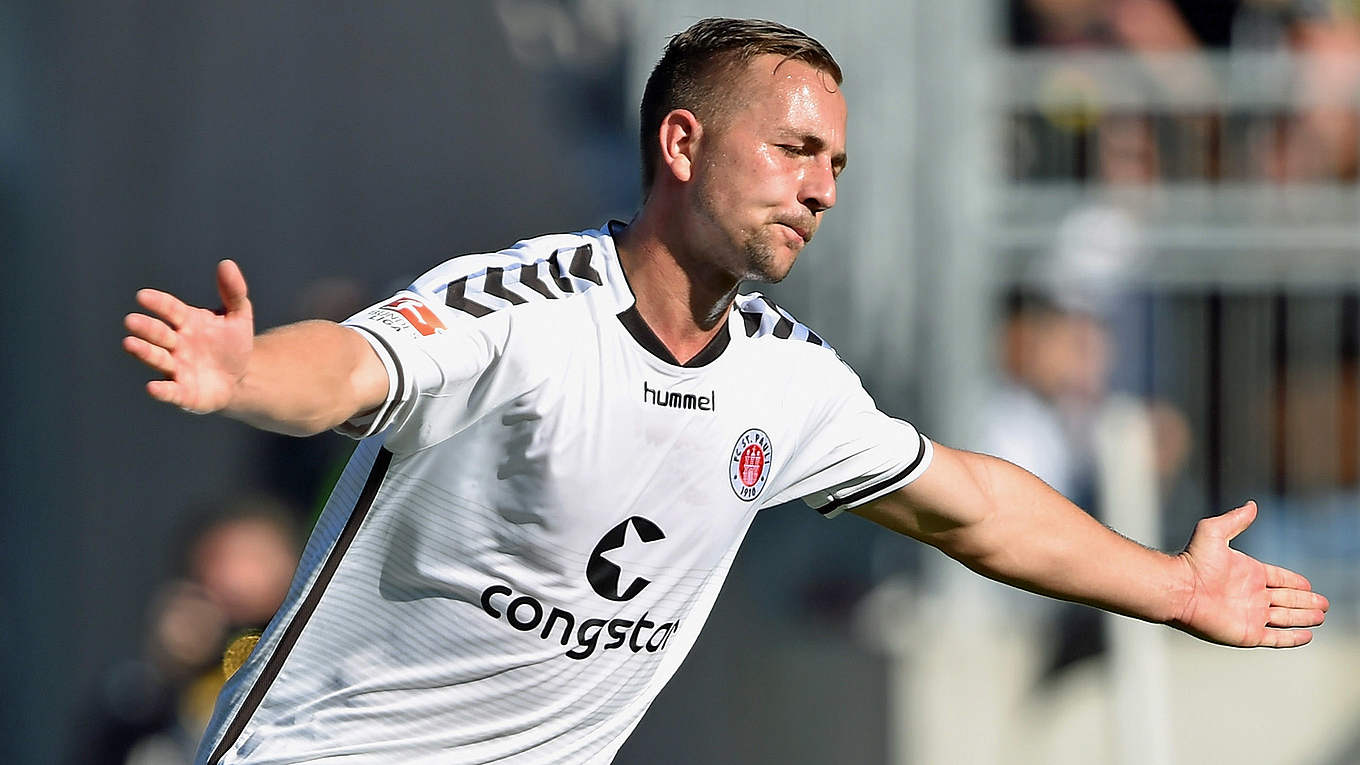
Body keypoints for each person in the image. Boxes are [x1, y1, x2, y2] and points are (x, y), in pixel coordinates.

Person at [122, 17, 1328, 765]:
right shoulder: (525, 311)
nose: (821, 189)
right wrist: (244, 372)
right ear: (682, 144)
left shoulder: (784, 381)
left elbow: (972, 508)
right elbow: (348, 367)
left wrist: (1171, 586)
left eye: (835, 164)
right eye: (793, 150)